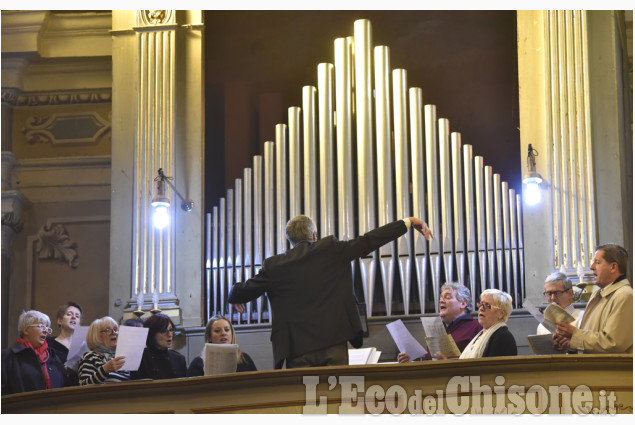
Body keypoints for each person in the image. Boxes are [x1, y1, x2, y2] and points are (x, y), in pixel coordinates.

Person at [228, 214, 432, 369]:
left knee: (306, 406)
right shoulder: (331, 250)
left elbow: (238, 292)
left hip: (297, 351)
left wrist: (236, 297)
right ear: (314, 235)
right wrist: (407, 222)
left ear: (289, 240)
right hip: (334, 343)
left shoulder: (274, 265)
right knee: (336, 402)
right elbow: (369, 240)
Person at [554, 244, 633, 353]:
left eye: (598, 262)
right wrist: (570, 342)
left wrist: (574, 333)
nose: (591, 267)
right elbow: (591, 334)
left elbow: (613, 343)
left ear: (613, 267)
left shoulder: (625, 296)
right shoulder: (597, 295)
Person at [398, 282, 482, 362]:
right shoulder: (437, 330)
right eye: (441, 298)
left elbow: (478, 360)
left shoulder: (477, 327)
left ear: (463, 303)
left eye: (448, 297)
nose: (441, 300)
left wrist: (449, 363)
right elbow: (428, 362)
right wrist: (410, 362)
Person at [2, 310, 68, 395]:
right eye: (41, 326)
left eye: (47, 328)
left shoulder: (53, 358)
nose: (46, 331)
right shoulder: (7, 357)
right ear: (26, 330)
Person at [437, 289, 517, 359]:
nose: (481, 308)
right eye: (481, 304)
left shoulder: (503, 337)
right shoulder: (480, 334)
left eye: (488, 306)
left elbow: (493, 371)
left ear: (501, 313)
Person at [186, 315, 257, 376]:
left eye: (227, 329)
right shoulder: (198, 363)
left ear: (232, 334)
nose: (223, 333)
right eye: (217, 331)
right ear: (209, 337)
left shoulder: (245, 359)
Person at [133, 314, 187, 380]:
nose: (169, 335)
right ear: (152, 334)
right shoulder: (140, 358)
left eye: (171, 330)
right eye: (163, 331)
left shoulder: (179, 359)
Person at [78, 316, 130, 385]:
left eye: (115, 329)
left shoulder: (121, 356)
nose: (114, 332)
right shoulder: (90, 357)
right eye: (107, 330)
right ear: (96, 336)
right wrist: (105, 370)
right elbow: (84, 386)